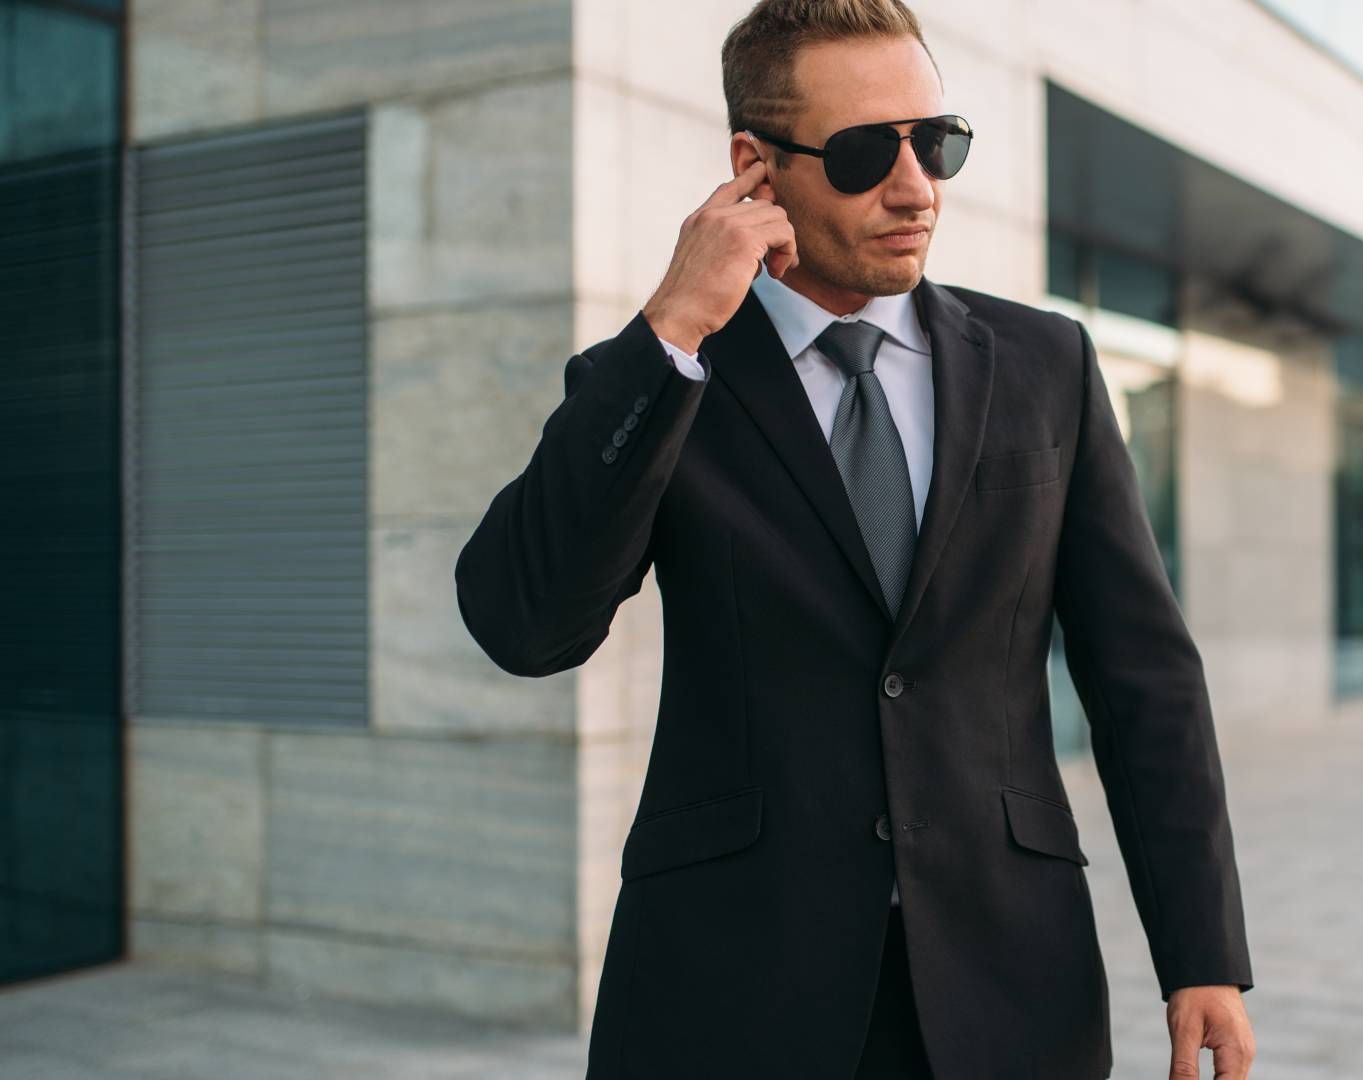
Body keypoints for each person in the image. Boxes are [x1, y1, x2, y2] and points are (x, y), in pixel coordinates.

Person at [453, 2, 1255, 1076]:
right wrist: (673, 331)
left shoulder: (1044, 365)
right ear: (756, 165)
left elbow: (1143, 674)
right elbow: (525, 623)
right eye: (868, 152)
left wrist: (1200, 951)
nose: (916, 185)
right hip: (732, 989)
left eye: (937, 142)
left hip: (1007, 980)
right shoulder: (663, 378)